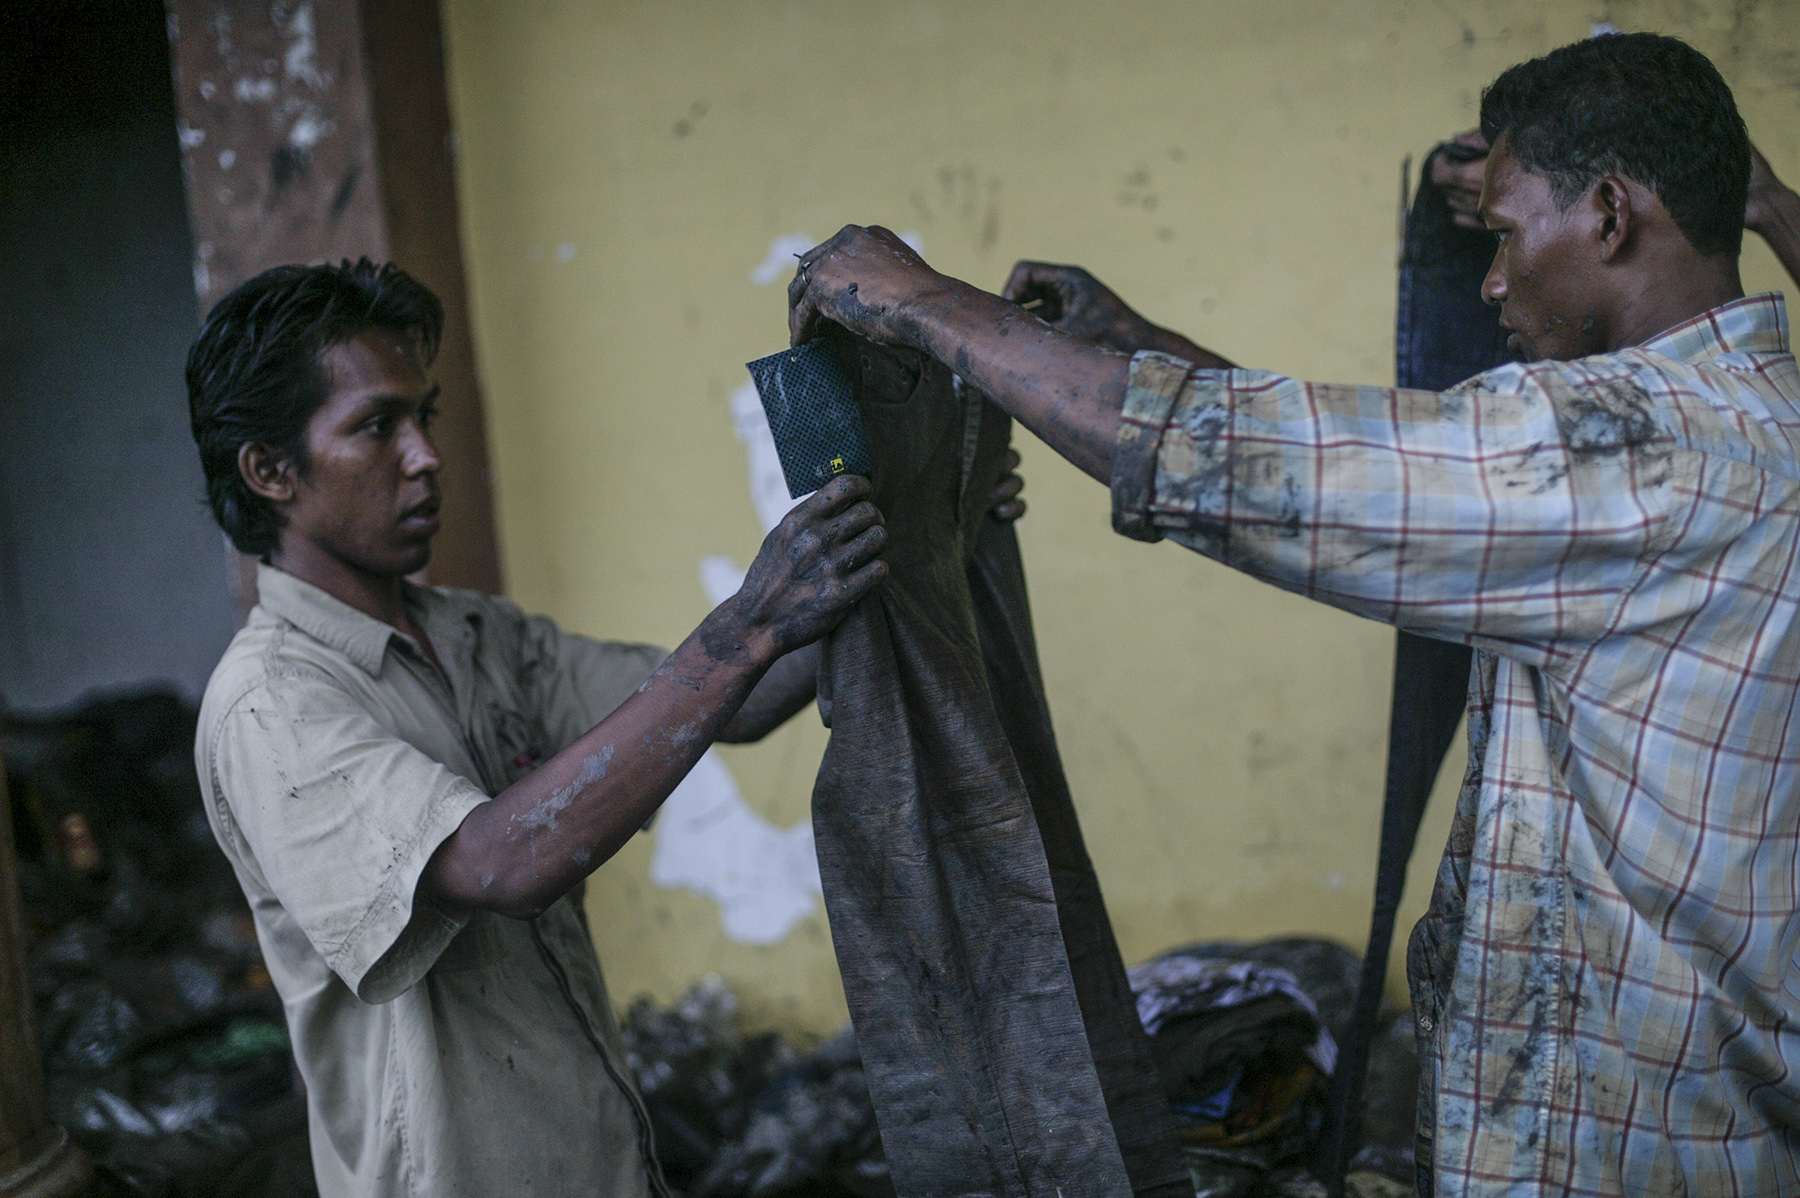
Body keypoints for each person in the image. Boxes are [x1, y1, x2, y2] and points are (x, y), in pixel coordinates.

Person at [786, 33, 1799, 1197]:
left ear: (1612, 214)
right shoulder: (1742, 428)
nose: (1493, 279)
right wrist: (1132, 344)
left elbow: (1264, 473)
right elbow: (1398, 481)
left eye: (1509, 231)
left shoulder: (1636, 449)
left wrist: (925, 306)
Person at [185, 259, 1020, 1197]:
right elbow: (500, 864)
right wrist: (749, 622)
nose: (424, 456)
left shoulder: (472, 634)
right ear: (269, 472)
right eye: (377, 426)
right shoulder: (273, 704)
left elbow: (726, 704)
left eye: (426, 417)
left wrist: (917, 535)